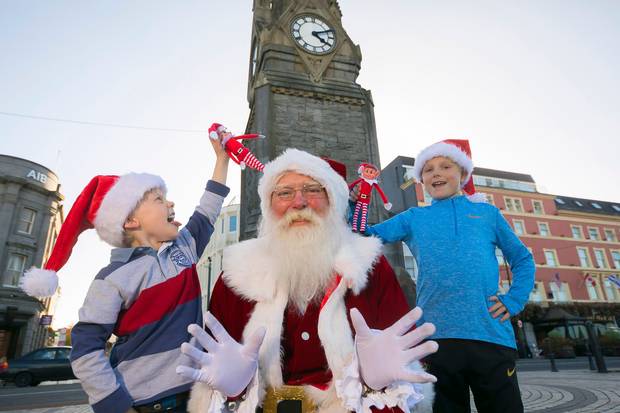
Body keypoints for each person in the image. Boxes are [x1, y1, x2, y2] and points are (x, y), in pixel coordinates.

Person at [177, 149, 438, 413]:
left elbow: (402, 364)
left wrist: (376, 386)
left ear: (333, 200)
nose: (299, 202)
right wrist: (232, 393)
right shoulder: (238, 274)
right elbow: (216, 377)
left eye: (313, 189)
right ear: (269, 204)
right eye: (284, 193)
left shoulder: (369, 265)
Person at [20, 138, 231, 413]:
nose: (171, 203)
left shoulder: (183, 250)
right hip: (151, 404)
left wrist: (222, 158)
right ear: (131, 221)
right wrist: (115, 405)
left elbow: (208, 210)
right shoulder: (111, 278)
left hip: (199, 396)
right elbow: (85, 350)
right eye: (159, 199)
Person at [361, 139, 535, 413]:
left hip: (490, 336)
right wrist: (352, 205)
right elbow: (367, 235)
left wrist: (513, 300)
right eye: (428, 169)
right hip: (435, 338)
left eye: (445, 166)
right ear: (421, 180)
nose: (436, 173)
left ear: (463, 175)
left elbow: (523, 259)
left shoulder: (488, 214)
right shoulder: (413, 217)